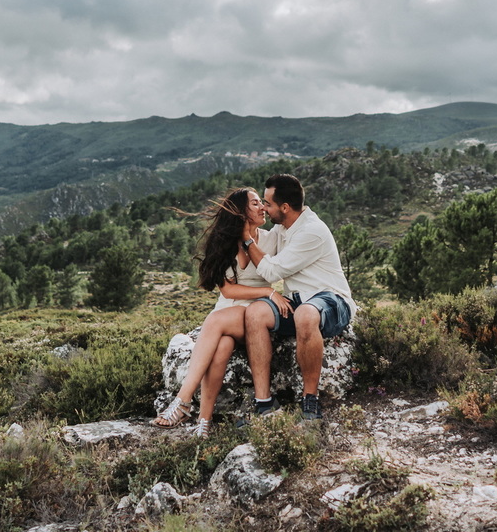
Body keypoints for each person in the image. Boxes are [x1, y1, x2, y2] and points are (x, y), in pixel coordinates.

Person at [152, 187, 291, 437]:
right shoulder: (224, 242)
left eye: (262, 203)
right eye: (256, 203)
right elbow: (227, 291)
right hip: (230, 312)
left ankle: (183, 400)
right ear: (241, 211)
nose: (263, 208)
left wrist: (270, 294)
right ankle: (203, 422)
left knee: (215, 321)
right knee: (223, 346)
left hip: (254, 313)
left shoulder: (272, 238)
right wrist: (269, 292)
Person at [240, 173, 356, 421]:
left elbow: (271, 270)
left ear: (284, 207)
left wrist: (247, 240)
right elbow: (264, 246)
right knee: (255, 313)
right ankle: (264, 402)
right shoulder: (284, 227)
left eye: (268, 204)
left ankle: (310, 400)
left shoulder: (311, 231)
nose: (264, 208)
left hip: (331, 300)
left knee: (305, 313)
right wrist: (245, 227)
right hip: (299, 301)